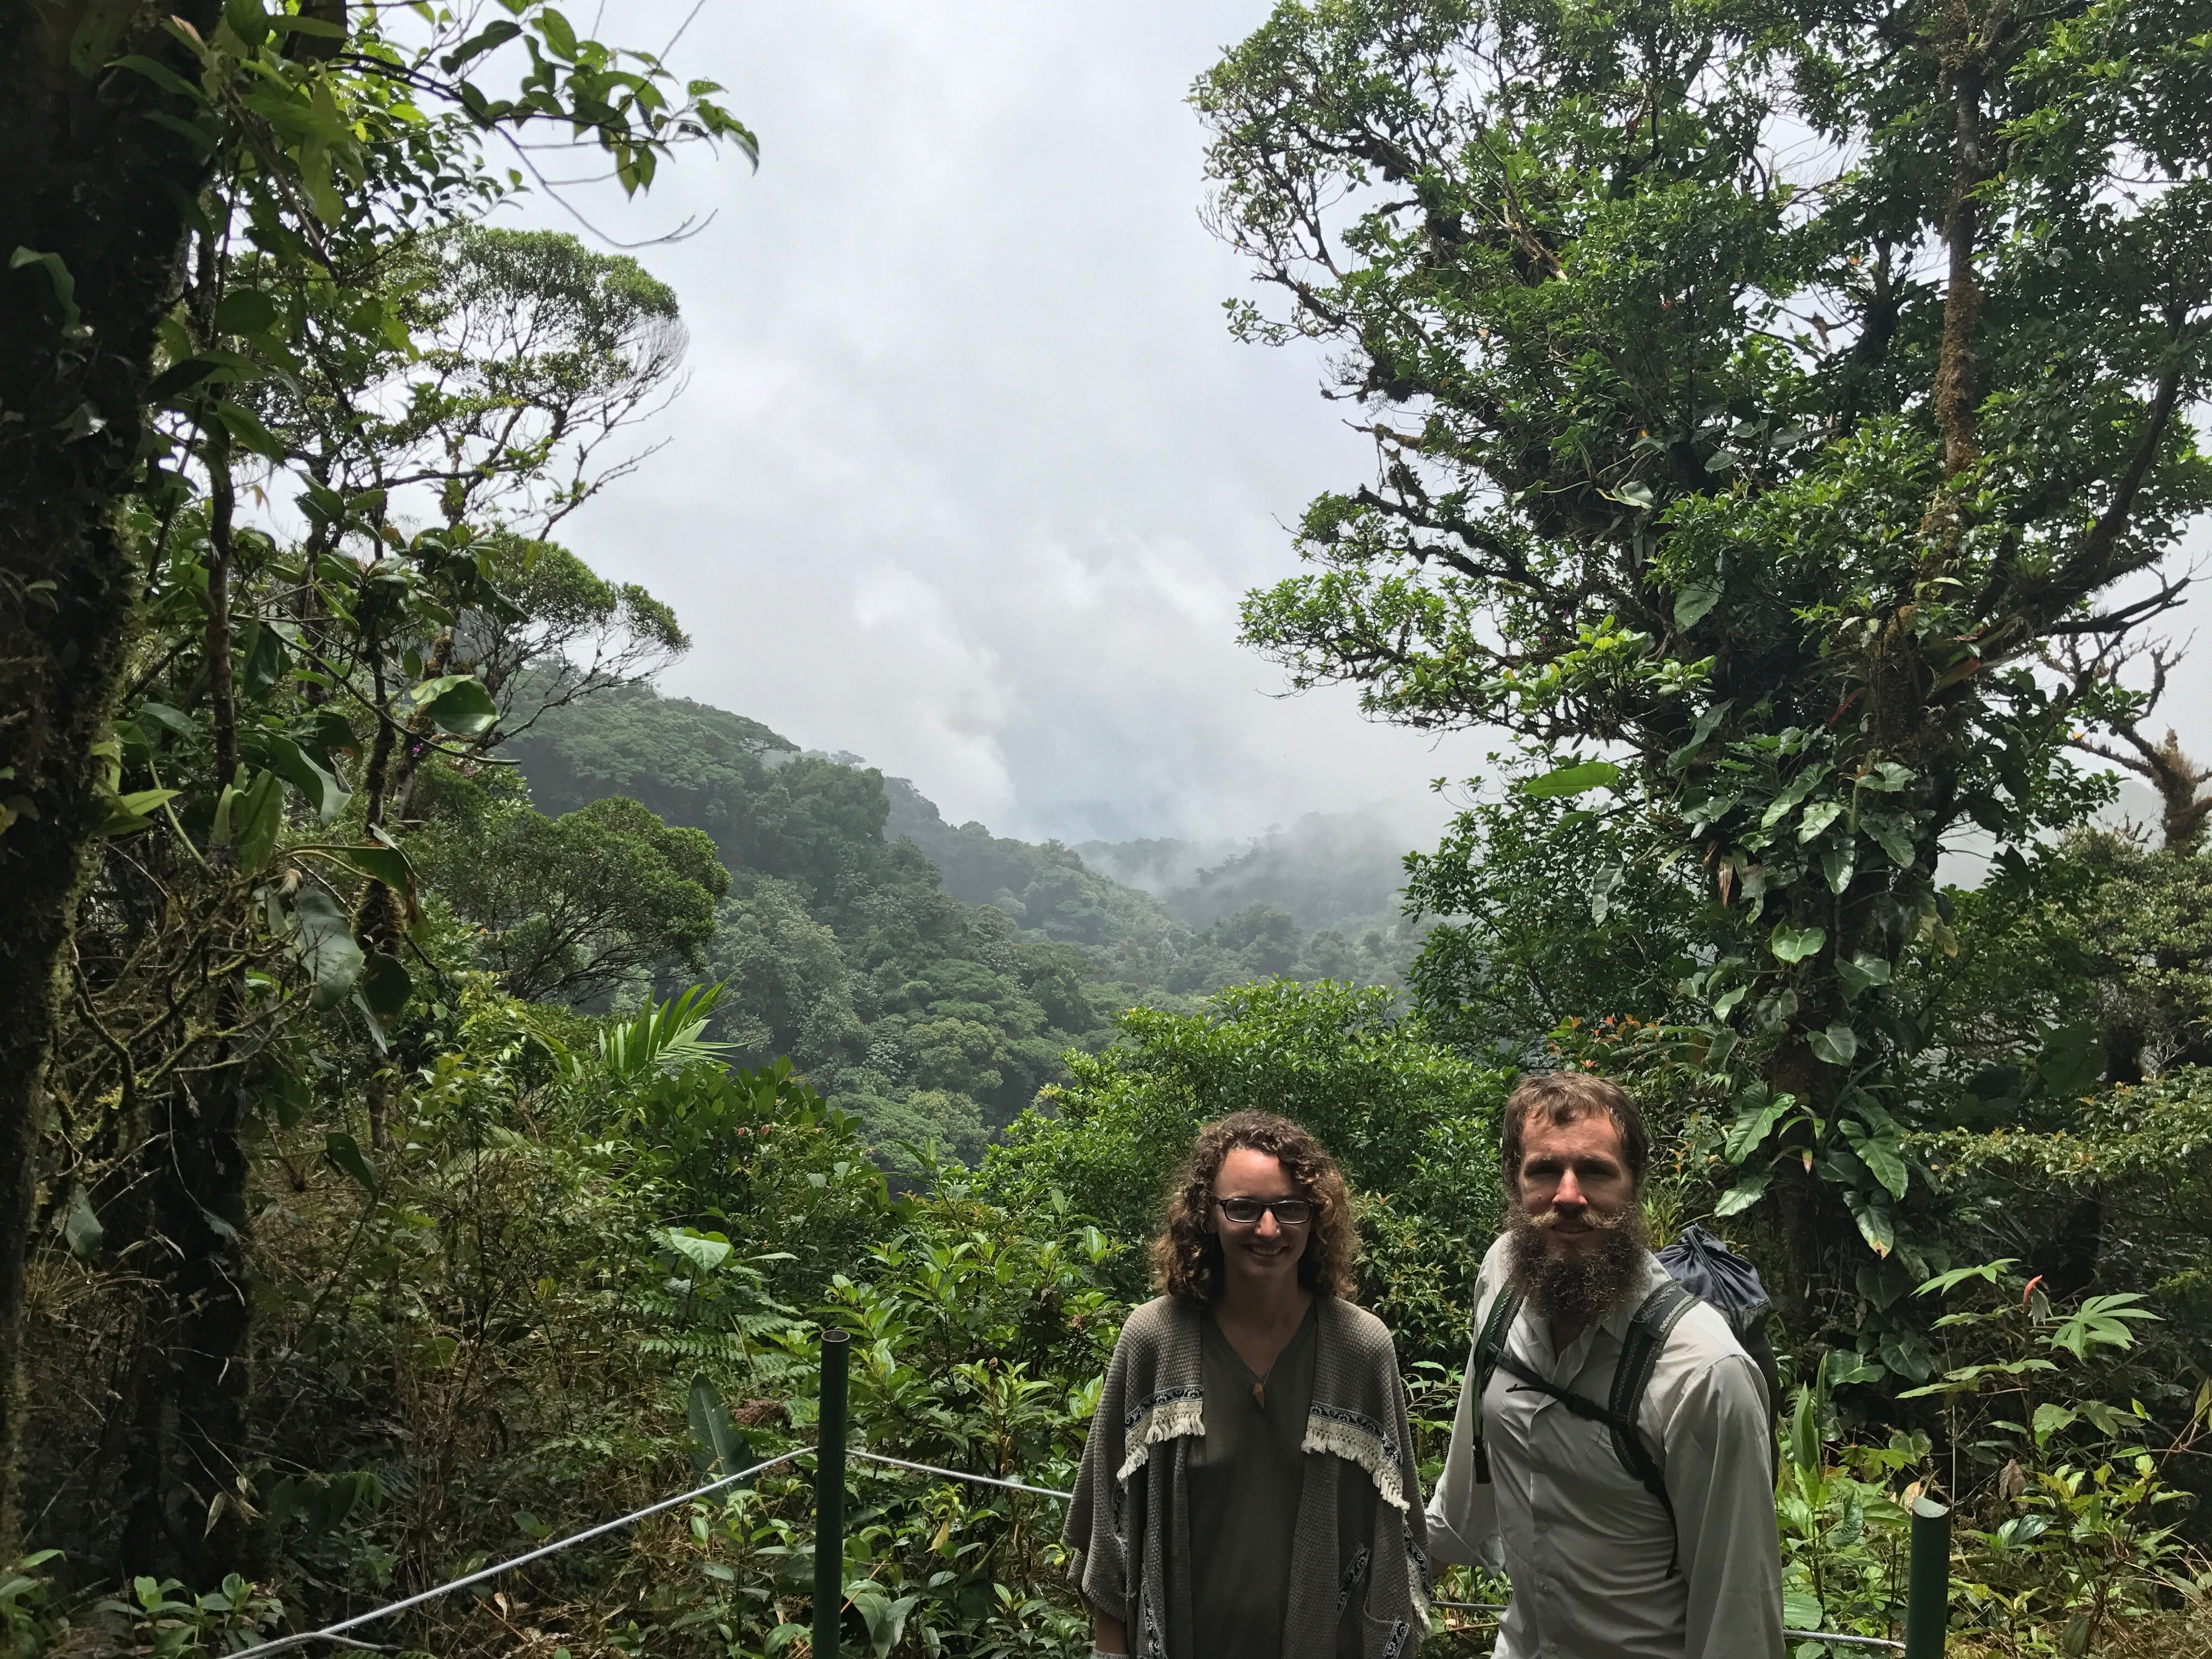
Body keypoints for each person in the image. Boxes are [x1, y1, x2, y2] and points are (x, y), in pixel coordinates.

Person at [1426, 1073, 1784, 1659]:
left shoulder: (1703, 1372)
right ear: (1515, 1183)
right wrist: (1404, 1578)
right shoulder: (1502, 1279)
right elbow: (1473, 1461)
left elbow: (1737, 1607)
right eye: (1545, 1170)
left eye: (1595, 1171)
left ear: (1633, 1186)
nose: (1568, 1196)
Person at [1065, 1111, 1430, 1659]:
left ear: (1316, 1217)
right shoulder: (1154, 1340)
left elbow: (1391, 1540)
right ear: (1207, 1215)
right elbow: (1109, 1526)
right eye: (1243, 1208)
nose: (1268, 1229)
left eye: (1290, 1208)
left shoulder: (1360, 1349)